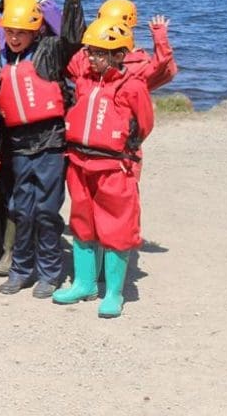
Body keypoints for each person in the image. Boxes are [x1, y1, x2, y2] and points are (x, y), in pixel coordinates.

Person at [54, 19, 153, 318]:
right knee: (82, 222)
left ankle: (113, 292)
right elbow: (69, 43)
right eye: (91, 52)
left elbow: (144, 124)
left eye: (100, 53)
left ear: (119, 55)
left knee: (116, 226)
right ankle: (85, 283)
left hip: (112, 166)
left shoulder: (132, 86)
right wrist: (69, 3)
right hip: (80, 163)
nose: (93, 58)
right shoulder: (84, 77)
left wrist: (125, 151)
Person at [0, 0, 86, 298]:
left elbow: (74, 38)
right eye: (11, 31)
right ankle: (21, 268)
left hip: (49, 141)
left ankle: (49, 271)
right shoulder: (0, 58)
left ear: (35, 30)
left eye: (22, 31)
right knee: (22, 209)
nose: (16, 37)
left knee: (47, 210)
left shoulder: (48, 52)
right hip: (18, 144)